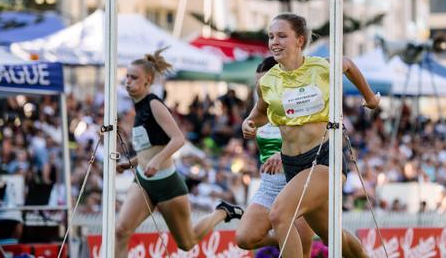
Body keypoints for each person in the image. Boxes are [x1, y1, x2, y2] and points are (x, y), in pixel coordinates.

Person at [242, 13, 379, 258]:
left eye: (282, 36)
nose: (274, 41)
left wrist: (369, 98)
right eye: (271, 36)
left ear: (300, 40)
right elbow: (261, 112)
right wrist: (250, 122)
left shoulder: (320, 67)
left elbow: (347, 63)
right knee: (331, 236)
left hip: (324, 159)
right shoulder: (268, 80)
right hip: (293, 164)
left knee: (280, 215)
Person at [115, 48, 243, 257]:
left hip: (167, 183)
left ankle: (222, 212)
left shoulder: (154, 103)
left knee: (187, 242)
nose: (128, 81)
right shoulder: (137, 107)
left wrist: (156, 161)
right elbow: (151, 148)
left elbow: (178, 139)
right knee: (121, 230)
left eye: (134, 77)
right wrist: (131, 163)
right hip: (143, 180)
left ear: (147, 80)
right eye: (127, 76)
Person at [236, 56, 314, 256]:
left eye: (265, 82)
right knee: (245, 237)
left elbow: (311, 139)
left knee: (305, 248)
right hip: (271, 184)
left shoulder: (296, 104)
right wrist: (247, 126)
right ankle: (284, 240)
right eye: (257, 83)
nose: (261, 88)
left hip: (298, 180)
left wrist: (283, 153)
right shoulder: (259, 112)